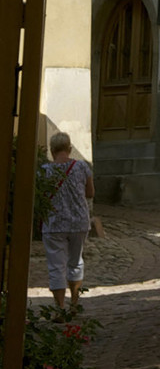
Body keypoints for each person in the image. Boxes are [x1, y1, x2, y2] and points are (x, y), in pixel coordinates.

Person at [39, 132, 94, 314]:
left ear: (52, 150)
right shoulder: (82, 167)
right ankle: (75, 303)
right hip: (78, 222)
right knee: (75, 262)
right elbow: (90, 193)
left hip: (54, 224)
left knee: (56, 266)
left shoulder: (44, 171)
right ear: (69, 149)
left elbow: (41, 198)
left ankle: (60, 308)